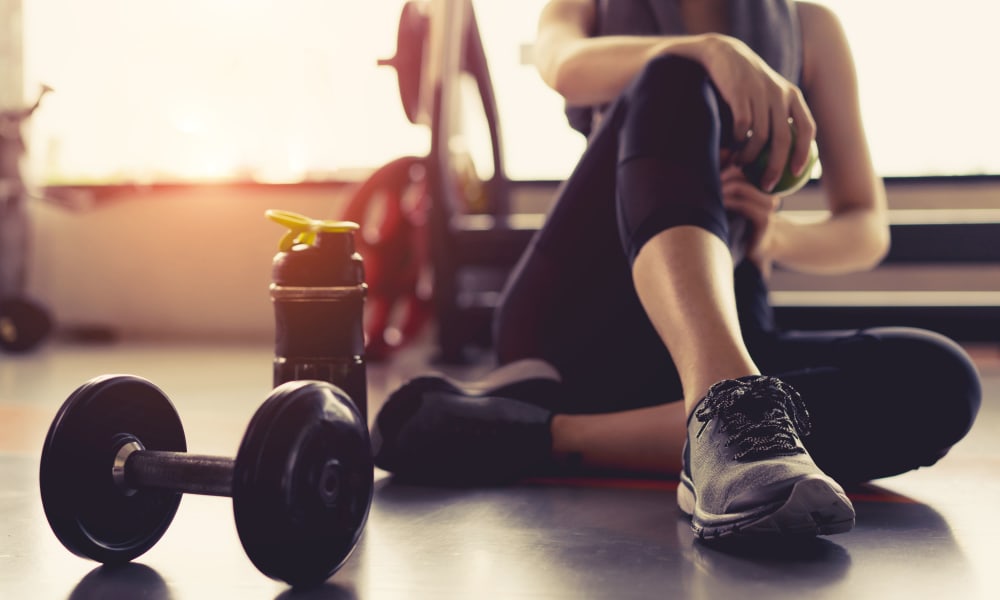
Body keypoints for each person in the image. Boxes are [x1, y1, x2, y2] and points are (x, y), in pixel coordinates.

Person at [370, 0, 982, 540]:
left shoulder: (812, 27)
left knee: (942, 380)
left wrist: (778, 233)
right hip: (583, 314)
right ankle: (726, 410)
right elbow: (560, 64)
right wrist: (707, 51)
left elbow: (866, 227)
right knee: (677, 74)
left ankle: (545, 434)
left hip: (731, 318)